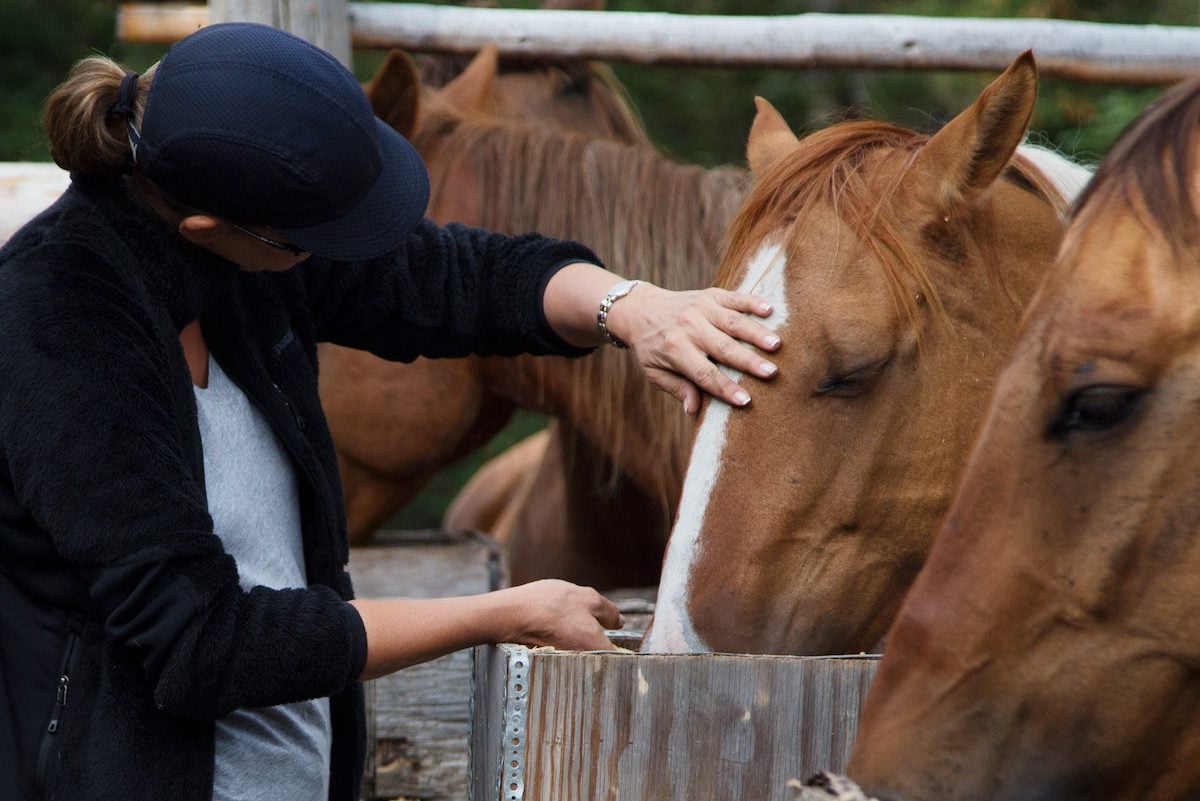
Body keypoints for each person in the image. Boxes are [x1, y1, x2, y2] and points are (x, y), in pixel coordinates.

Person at [0, 22, 781, 801]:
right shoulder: (57, 331)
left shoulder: (238, 251)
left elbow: (459, 277)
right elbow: (203, 643)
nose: (328, 255)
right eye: (309, 241)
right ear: (207, 227)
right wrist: (495, 613)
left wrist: (630, 306)